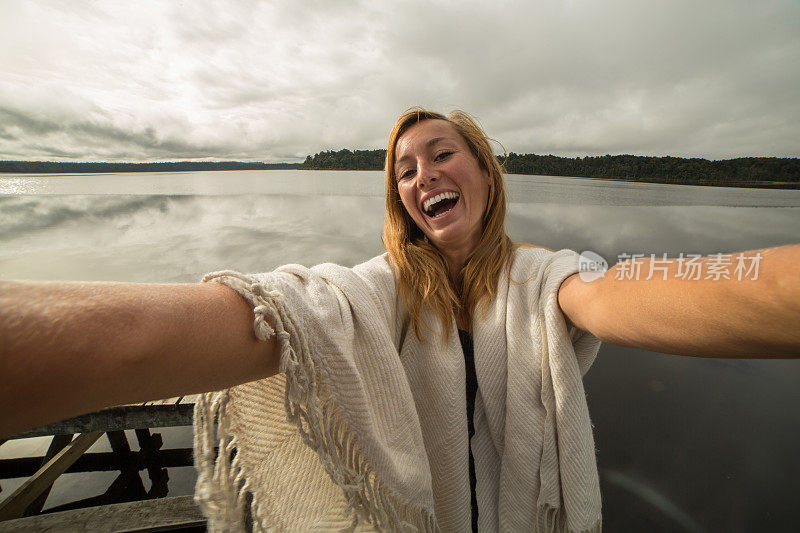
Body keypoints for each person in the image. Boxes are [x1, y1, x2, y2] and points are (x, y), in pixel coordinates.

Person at [1, 108, 798, 532]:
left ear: (484, 171)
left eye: (442, 153)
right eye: (405, 170)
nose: (424, 175)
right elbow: (273, 316)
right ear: (403, 203)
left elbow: (617, 292)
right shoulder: (367, 294)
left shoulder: (541, 277)